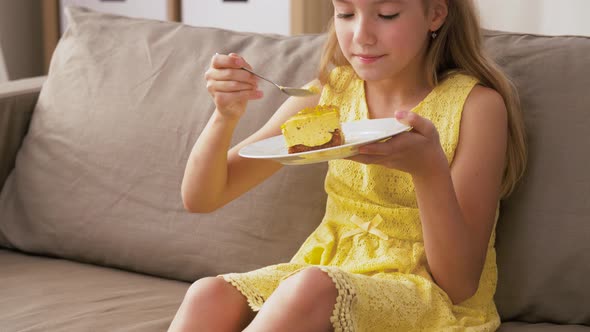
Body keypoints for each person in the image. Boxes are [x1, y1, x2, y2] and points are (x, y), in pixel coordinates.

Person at [169, 0, 527, 330]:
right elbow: (202, 198)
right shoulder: (332, 91)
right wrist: (224, 116)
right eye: (345, 13)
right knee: (207, 294)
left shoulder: (476, 106)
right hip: (327, 274)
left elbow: (460, 285)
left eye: (386, 14)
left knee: (310, 285)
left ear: (435, 14)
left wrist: (428, 170)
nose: (361, 36)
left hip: (427, 294)